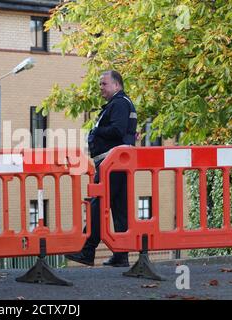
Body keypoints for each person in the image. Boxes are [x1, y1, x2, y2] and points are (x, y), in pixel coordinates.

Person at [65, 70, 137, 267]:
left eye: (104, 84)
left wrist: (96, 131)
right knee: (119, 209)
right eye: (100, 85)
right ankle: (121, 255)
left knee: (98, 204)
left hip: (111, 164)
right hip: (117, 163)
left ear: (116, 85)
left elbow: (117, 130)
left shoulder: (120, 103)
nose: (101, 88)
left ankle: (87, 250)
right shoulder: (121, 103)